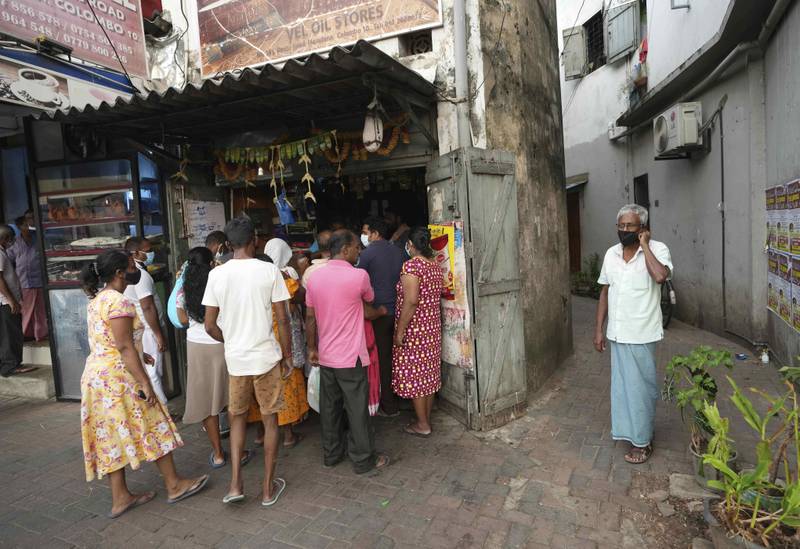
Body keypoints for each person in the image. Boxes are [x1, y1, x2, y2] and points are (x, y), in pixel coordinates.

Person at [78, 250, 208, 518]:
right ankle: (174, 485)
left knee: (108, 435)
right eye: (129, 267)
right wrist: (144, 382)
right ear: (118, 273)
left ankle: (120, 497)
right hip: (119, 377)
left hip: (96, 378)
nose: (134, 271)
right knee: (154, 423)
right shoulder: (120, 302)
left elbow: (112, 341)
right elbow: (124, 347)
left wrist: (141, 353)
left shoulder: (96, 300)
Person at [203, 217, 293, 506]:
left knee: (237, 418)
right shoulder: (269, 270)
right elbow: (283, 317)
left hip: (237, 360)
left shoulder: (217, 274)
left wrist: (230, 340)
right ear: (255, 240)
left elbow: (209, 325)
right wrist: (288, 355)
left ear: (228, 244)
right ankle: (267, 489)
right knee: (270, 422)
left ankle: (235, 485)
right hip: (266, 357)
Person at [305, 230, 390, 474]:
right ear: (344, 250)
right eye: (356, 248)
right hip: (351, 357)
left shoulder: (314, 278)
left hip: (326, 355)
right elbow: (368, 302)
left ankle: (331, 455)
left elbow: (310, 317)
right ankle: (363, 459)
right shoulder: (359, 276)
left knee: (330, 409)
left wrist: (312, 347)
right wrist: (381, 312)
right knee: (356, 410)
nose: (359, 252)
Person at [594, 204, 673, 465]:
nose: (624, 230)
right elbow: (605, 292)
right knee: (622, 390)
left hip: (642, 333)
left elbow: (661, 276)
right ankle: (631, 433)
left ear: (643, 229)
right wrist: (599, 329)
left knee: (642, 389)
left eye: (631, 226)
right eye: (621, 226)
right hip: (617, 333)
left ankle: (644, 441)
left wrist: (645, 246)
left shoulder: (657, 250)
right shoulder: (611, 254)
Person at [175, 247, 232, 468]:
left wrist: (195, 323)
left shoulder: (183, 285)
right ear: (211, 263)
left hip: (197, 344)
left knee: (207, 402)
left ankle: (218, 453)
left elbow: (181, 317)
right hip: (221, 341)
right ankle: (239, 449)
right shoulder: (219, 281)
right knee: (230, 398)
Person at [392, 227, 444, 437]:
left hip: (415, 329)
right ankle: (425, 419)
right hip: (431, 327)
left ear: (411, 245)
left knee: (416, 376)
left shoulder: (411, 267)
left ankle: (422, 424)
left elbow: (411, 301)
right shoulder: (434, 266)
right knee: (428, 376)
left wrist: (400, 331)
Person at [264, 238, 309, 448]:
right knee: (288, 378)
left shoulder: (260, 273)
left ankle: (262, 432)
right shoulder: (285, 274)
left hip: (266, 333)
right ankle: (289, 433)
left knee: (272, 383)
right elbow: (300, 298)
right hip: (285, 331)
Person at [359, 217, 405, 417]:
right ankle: (403, 396)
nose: (366, 237)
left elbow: (358, 281)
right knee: (400, 357)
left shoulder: (368, 253)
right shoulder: (399, 251)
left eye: (368, 233)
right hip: (401, 313)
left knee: (383, 359)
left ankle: (388, 404)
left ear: (375, 234)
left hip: (379, 314)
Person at [124, 237, 168, 404]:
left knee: (152, 369)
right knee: (153, 371)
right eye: (148, 250)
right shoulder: (140, 275)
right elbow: (147, 307)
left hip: (145, 328)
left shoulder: (136, 272)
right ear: (135, 253)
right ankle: (163, 409)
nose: (151, 253)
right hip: (148, 329)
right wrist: (158, 334)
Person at [0, 225, 33, 377]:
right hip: (5, 302)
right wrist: (12, 300)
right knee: (12, 333)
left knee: (7, 333)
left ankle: (8, 364)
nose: (11, 242)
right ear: (5, 238)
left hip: (5, 301)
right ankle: (11, 365)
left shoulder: (2, 252)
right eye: (10, 239)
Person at [7, 212, 47, 341]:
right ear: (19, 227)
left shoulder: (38, 238)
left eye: (28, 223)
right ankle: (25, 334)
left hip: (40, 280)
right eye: (24, 225)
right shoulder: (15, 243)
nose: (27, 226)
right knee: (26, 310)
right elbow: (8, 261)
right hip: (24, 282)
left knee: (40, 310)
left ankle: (40, 334)